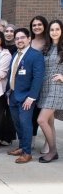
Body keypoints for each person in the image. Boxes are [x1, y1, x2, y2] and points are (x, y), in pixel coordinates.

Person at [7, 28, 45, 164]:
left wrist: (31, 97)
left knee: (26, 124)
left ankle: (27, 153)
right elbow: (11, 75)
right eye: (17, 38)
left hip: (26, 98)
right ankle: (22, 147)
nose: (19, 40)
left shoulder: (35, 55)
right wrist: (8, 93)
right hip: (13, 96)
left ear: (29, 39)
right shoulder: (15, 55)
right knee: (18, 124)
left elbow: (38, 78)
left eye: (22, 37)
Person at [37, 20, 63, 163]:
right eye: (52, 29)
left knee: (41, 120)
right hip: (45, 87)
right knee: (49, 122)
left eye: (57, 29)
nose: (54, 32)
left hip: (57, 88)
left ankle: (52, 151)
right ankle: (54, 152)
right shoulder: (46, 48)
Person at [29, 15, 48, 152]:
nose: (36, 27)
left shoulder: (50, 42)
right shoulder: (29, 41)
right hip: (31, 82)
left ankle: (48, 142)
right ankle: (31, 140)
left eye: (39, 24)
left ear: (44, 26)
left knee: (47, 117)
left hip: (47, 83)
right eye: (34, 25)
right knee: (33, 113)